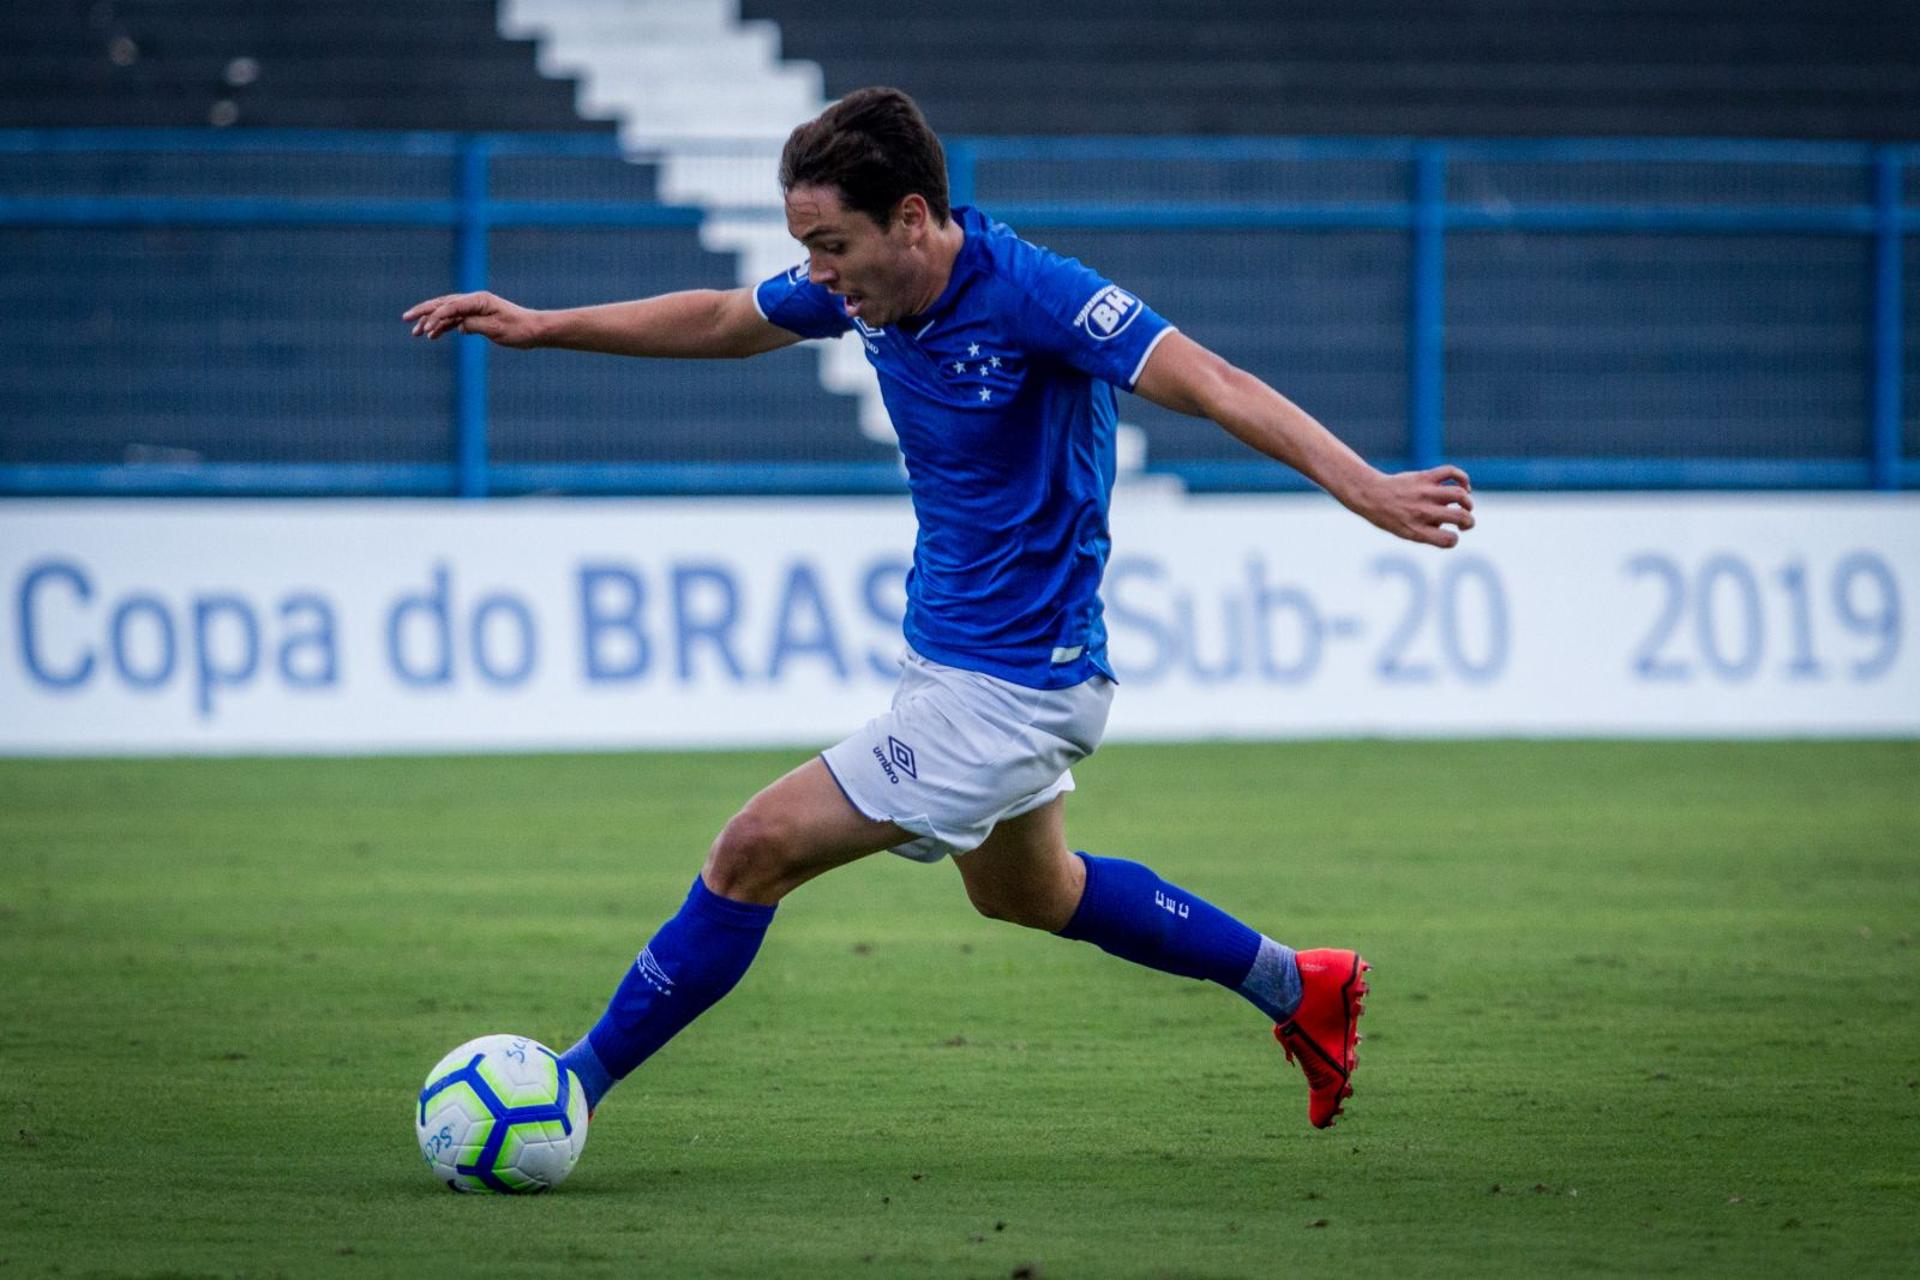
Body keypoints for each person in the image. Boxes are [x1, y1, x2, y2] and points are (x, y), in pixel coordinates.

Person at [403, 87, 1473, 1130]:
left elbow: (1214, 379)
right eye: (807, 248)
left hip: (1011, 685)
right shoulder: (867, 284)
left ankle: (567, 1087)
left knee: (752, 847)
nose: (819, 276)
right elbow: (729, 318)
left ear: (912, 219)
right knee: (1029, 890)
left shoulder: (1035, 294)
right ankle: (1300, 985)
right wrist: (544, 326)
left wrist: (1365, 485)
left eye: (831, 246)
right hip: (960, 667)